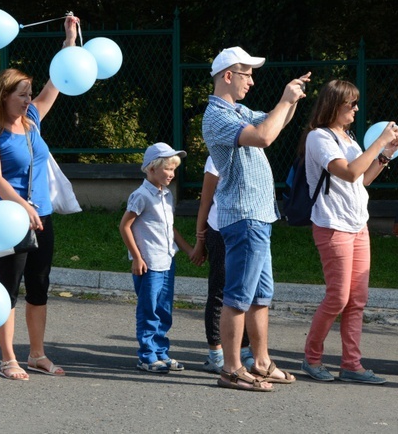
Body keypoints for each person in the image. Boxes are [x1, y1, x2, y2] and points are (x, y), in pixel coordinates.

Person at [0, 15, 79, 380]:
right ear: (4, 96)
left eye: (29, 94)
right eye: (22, 94)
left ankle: (37, 354)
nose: (28, 99)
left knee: (40, 285)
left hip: (42, 215)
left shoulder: (33, 117)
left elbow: (59, 81)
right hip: (9, 218)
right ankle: (8, 358)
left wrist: (69, 39)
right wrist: (22, 206)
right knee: (10, 287)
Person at [201, 46, 309, 392]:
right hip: (244, 216)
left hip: (259, 215)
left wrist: (290, 101)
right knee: (237, 296)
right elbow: (264, 136)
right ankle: (231, 369)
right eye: (247, 73)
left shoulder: (237, 109)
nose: (252, 80)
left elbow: (275, 121)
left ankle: (260, 361)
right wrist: (283, 100)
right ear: (228, 76)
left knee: (261, 295)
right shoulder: (217, 116)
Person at [300, 80, 398, 384]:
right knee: (338, 297)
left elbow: (363, 179)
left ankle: (351, 364)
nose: (356, 109)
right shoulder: (319, 138)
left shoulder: (349, 137)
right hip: (333, 226)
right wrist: (379, 142)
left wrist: (384, 156)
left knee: (357, 299)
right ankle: (311, 358)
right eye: (351, 104)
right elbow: (349, 171)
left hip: (358, 225)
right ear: (334, 105)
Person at [119, 142, 194, 373]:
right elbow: (125, 226)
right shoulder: (141, 196)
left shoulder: (167, 195)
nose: (172, 174)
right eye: (167, 169)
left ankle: (161, 352)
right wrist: (137, 258)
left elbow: (170, 228)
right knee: (148, 310)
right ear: (151, 169)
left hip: (167, 261)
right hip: (149, 264)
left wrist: (188, 249)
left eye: (173, 170)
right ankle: (146, 355)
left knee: (164, 310)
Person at [190, 156, 252, 374]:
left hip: (247, 228)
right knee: (220, 291)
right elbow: (205, 201)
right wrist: (200, 242)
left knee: (245, 293)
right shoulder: (217, 158)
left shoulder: (252, 154)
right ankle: (215, 354)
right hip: (220, 230)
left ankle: (244, 350)